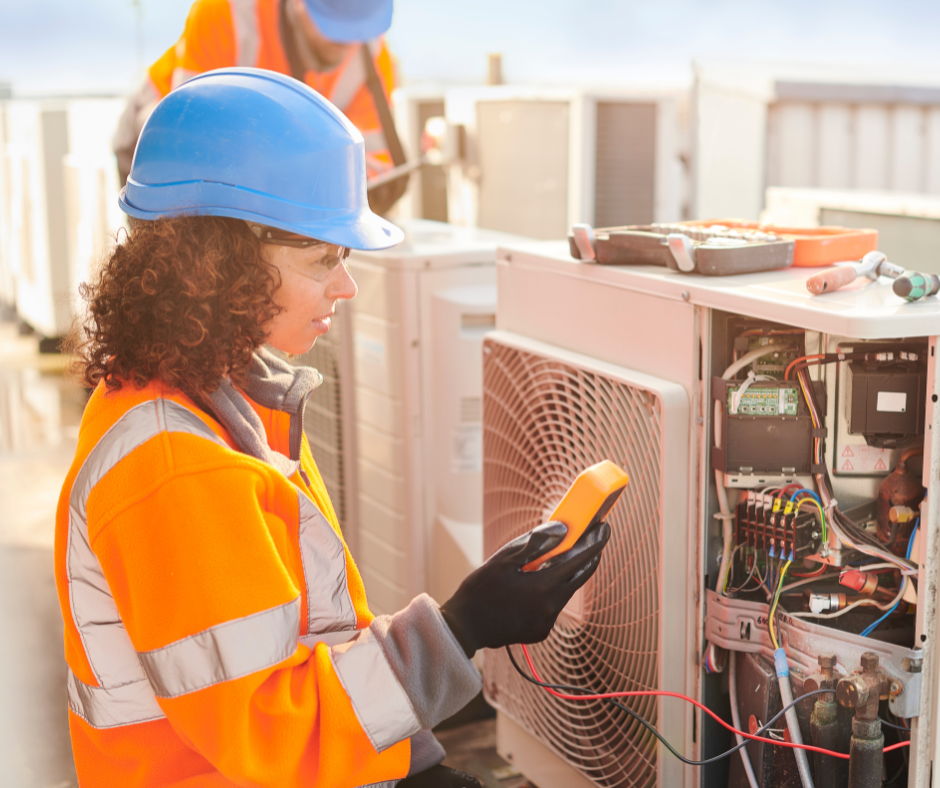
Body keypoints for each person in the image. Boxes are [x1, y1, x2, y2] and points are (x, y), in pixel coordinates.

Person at [56, 68, 610, 788]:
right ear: (214, 264)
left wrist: (416, 762)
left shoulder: (213, 397)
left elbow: (297, 671)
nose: (345, 286)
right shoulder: (177, 464)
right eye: (322, 259)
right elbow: (275, 734)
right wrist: (464, 625)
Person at [113, 0, 404, 207]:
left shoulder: (375, 55)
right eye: (333, 24)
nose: (346, 39)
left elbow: (376, 162)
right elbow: (187, 147)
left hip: (272, 167)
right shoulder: (223, 12)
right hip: (155, 136)